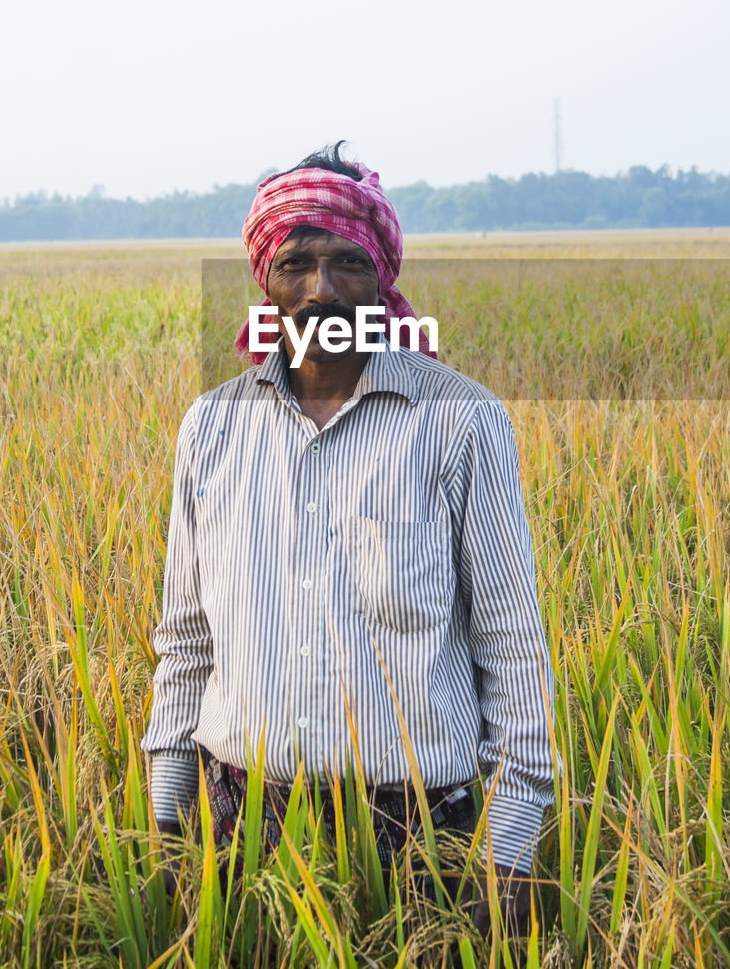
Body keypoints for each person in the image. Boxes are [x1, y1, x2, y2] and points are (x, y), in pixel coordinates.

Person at [141, 141, 558, 938]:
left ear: (384, 279)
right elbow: (187, 642)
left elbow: (511, 650)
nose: (321, 290)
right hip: (240, 827)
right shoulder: (212, 428)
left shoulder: (461, 421)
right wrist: (166, 825)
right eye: (296, 262)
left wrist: (506, 856)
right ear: (263, 278)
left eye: (347, 264)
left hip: (417, 833)